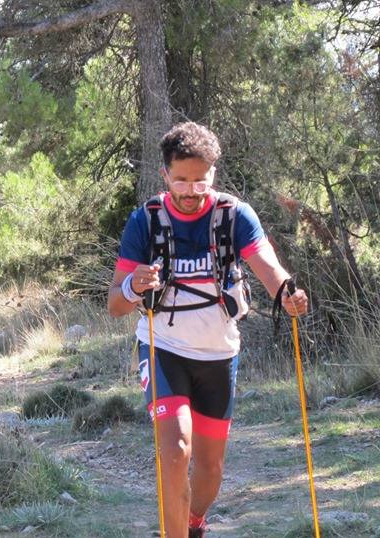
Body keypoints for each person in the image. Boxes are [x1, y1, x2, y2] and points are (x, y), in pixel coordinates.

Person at [107, 122, 308, 537]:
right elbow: (115, 305)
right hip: (163, 348)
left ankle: (195, 521)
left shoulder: (234, 215)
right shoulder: (145, 220)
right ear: (165, 175)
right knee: (176, 448)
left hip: (218, 354)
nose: (190, 189)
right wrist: (133, 285)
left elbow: (267, 267)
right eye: (181, 179)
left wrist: (286, 292)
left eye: (200, 180)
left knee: (211, 467)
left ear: (213, 173)